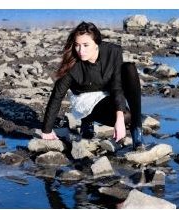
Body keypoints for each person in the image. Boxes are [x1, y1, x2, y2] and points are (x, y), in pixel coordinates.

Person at [41, 21, 145, 150]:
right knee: (125, 117)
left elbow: (117, 86)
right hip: (86, 99)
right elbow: (57, 95)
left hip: (107, 92)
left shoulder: (113, 51)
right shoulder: (73, 63)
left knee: (129, 68)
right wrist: (47, 130)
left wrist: (118, 119)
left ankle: (137, 131)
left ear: (97, 43)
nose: (80, 50)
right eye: (77, 45)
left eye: (85, 45)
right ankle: (87, 120)